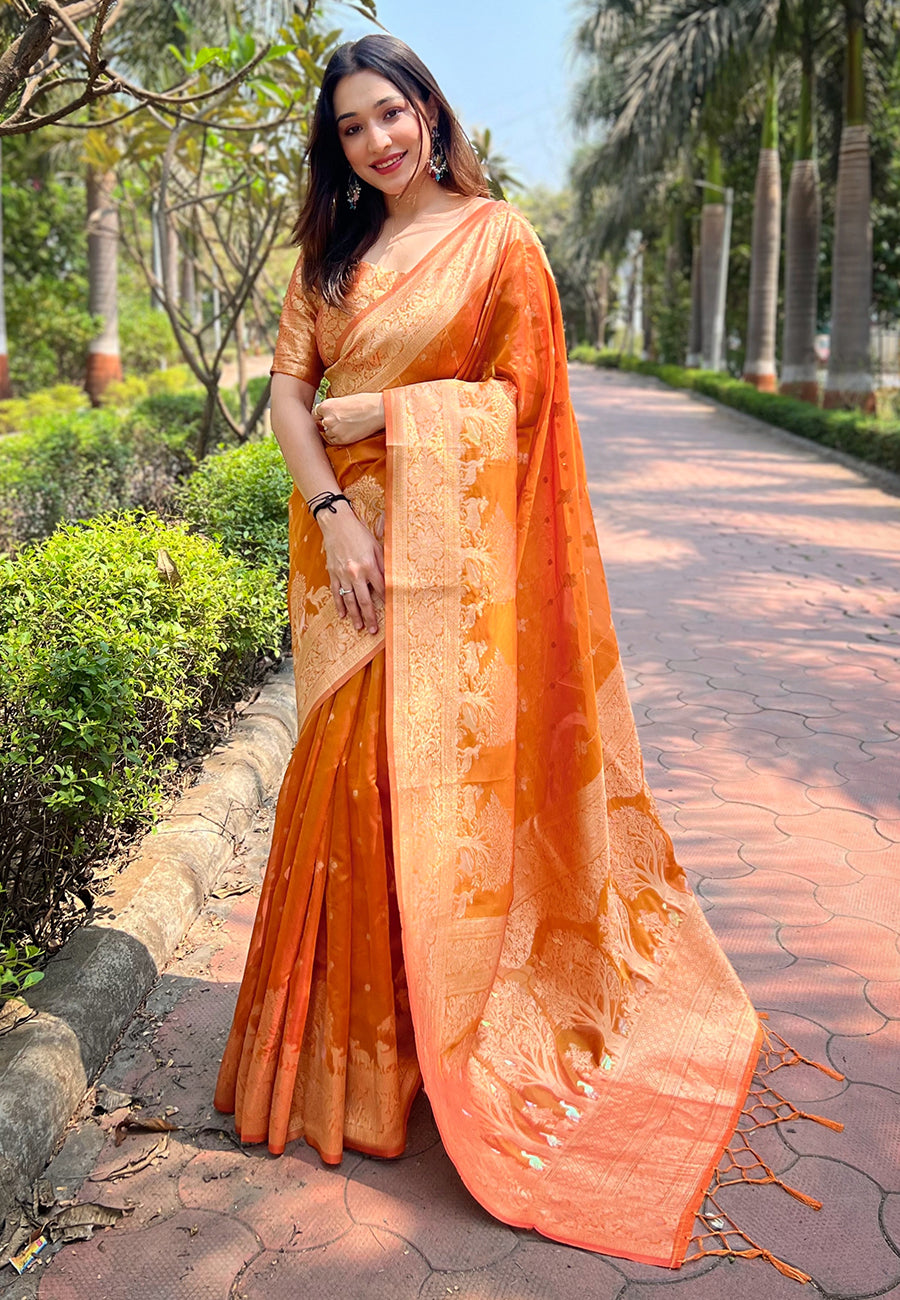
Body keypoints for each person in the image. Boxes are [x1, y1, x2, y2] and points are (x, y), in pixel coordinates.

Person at [215, 34, 834, 1278]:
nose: (378, 141)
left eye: (393, 114)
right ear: (333, 148)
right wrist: (334, 512)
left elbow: (527, 410)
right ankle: (345, 1068)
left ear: (432, 114)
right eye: (351, 128)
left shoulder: (501, 242)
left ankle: (448, 1048)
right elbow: (288, 392)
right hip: (355, 561)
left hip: (458, 577)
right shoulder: (330, 256)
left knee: (427, 796)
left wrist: (394, 412)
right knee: (340, 784)